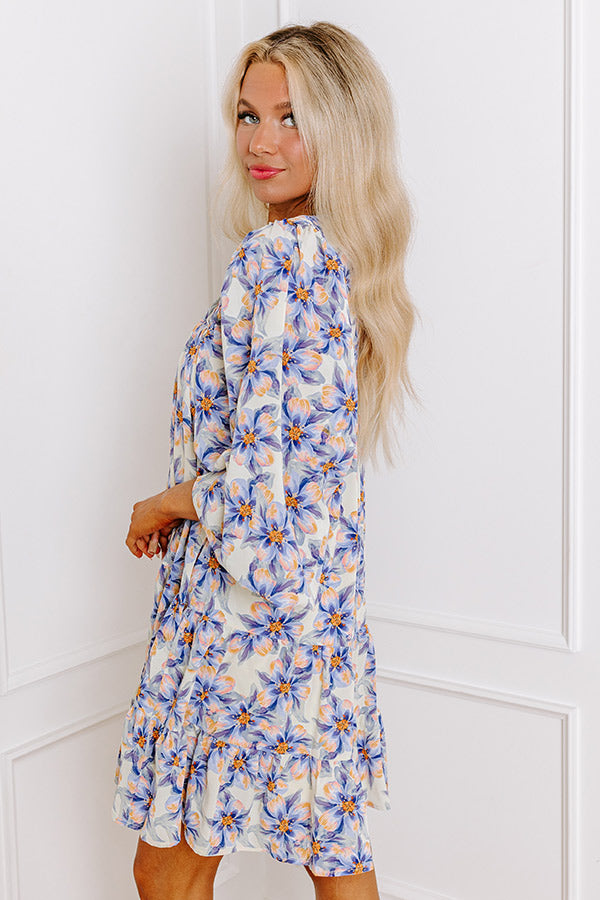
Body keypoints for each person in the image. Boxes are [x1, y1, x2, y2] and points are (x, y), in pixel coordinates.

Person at [112, 20, 416, 900]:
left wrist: (163, 504)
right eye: (248, 115)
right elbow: (298, 479)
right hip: (312, 622)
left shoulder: (280, 260)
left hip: (244, 621)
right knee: (334, 849)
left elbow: (258, 492)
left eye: (292, 118)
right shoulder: (332, 261)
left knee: (166, 871)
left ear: (342, 132)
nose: (262, 142)